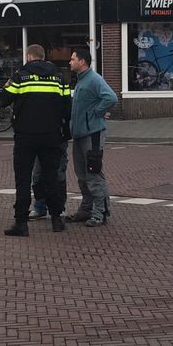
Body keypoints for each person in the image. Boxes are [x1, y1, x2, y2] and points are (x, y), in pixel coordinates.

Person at [0, 44, 71, 236]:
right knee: (52, 178)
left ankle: (21, 224)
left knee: (23, 180)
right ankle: (57, 219)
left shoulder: (21, 77)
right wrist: (62, 130)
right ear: (43, 56)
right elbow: (67, 106)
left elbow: (2, 101)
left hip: (26, 136)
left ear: (29, 57)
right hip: (51, 135)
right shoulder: (59, 77)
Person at [65, 47, 117, 227]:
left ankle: (100, 213)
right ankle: (86, 210)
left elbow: (111, 97)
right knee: (81, 175)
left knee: (93, 173)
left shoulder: (94, 79)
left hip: (92, 134)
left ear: (82, 61)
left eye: (72, 59)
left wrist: (98, 112)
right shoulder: (80, 81)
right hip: (79, 135)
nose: (70, 62)